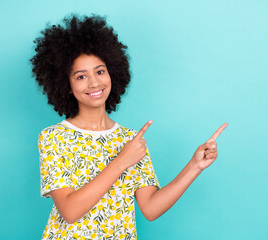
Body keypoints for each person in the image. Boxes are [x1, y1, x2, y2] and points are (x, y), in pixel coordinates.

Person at [30, 14, 228, 240]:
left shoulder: (131, 140)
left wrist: (194, 166)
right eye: (81, 76)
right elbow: (70, 211)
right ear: (65, 85)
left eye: (100, 71)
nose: (94, 82)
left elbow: (151, 209)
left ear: (112, 72)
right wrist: (123, 160)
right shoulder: (54, 137)